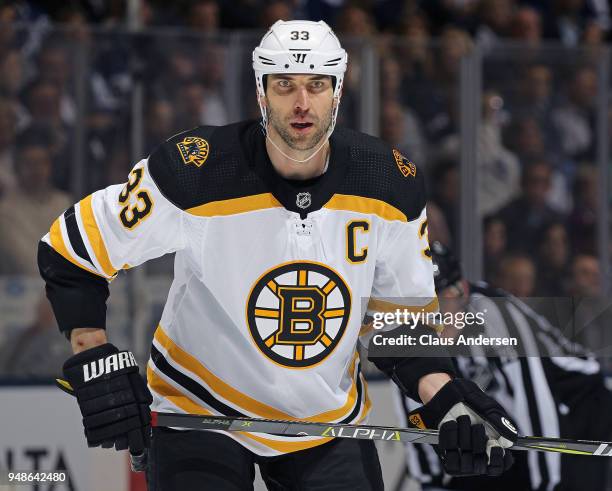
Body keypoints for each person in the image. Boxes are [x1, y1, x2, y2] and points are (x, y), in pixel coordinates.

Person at [39, 21, 517, 490]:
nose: (302, 103)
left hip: (325, 419)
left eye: (317, 84)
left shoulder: (390, 185)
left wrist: (446, 397)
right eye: (285, 84)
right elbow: (70, 249)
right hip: (200, 410)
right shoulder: (196, 170)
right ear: (260, 92)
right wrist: (92, 351)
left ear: (338, 92)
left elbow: (399, 324)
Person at [394, 242, 612, 491]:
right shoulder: (406, 329)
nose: (436, 316)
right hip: (506, 417)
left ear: (462, 291)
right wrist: (430, 481)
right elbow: (414, 407)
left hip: (577, 405)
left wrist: (547, 484)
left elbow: (537, 403)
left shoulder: (496, 315)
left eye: (443, 301)